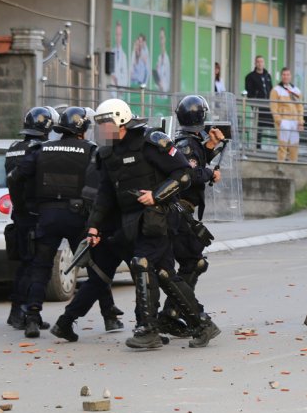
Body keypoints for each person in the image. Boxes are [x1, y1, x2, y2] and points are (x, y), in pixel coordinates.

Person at [86, 98, 220, 350]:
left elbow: (183, 173)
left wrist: (157, 195)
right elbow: (105, 193)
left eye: (107, 124)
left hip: (158, 217)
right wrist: (94, 227)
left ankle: (147, 330)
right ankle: (202, 324)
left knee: (142, 263)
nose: (103, 130)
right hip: (130, 221)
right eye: (100, 125)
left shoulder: (150, 141)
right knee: (165, 273)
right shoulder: (106, 152)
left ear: (122, 120)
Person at [7, 107, 115, 338]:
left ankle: (32, 318)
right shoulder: (92, 150)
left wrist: (26, 208)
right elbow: (101, 186)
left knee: (41, 267)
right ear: (84, 130)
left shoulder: (41, 149)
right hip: (78, 217)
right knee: (94, 266)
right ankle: (110, 316)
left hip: (46, 216)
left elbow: (15, 178)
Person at [51, 114, 131, 343]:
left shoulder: (100, 154)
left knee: (99, 278)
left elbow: (96, 197)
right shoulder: (119, 155)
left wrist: (94, 228)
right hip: (122, 227)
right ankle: (148, 325)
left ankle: (65, 322)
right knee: (146, 274)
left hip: (103, 227)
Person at [157, 95, 226, 338]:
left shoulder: (188, 141)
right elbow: (189, 175)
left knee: (186, 264)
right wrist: (209, 174)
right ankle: (173, 314)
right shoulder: (186, 144)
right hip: (179, 212)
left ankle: (170, 314)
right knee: (194, 263)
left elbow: (196, 161)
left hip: (180, 213)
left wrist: (212, 146)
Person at [4, 107, 57, 331]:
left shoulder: (13, 148)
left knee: (27, 263)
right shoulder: (39, 149)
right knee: (32, 265)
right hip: (35, 213)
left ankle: (21, 311)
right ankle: (20, 312)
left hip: (20, 213)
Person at [272, 67, 303, 162]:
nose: (286, 77)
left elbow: (300, 107)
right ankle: (280, 166)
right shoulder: (276, 90)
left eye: (288, 74)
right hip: (283, 121)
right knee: (283, 146)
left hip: (294, 121)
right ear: (281, 76)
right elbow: (273, 106)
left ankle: (293, 167)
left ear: (291, 76)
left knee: (294, 146)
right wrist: (278, 120)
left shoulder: (296, 90)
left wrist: (300, 122)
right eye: (284, 75)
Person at [245, 57, 274, 150]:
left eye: (261, 61)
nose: (260, 63)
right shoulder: (250, 77)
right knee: (259, 126)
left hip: (268, 105)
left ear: (264, 63)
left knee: (273, 123)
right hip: (258, 105)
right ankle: (258, 146)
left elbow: (271, 90)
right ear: (255, 63)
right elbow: (249, 92)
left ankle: (277, 146)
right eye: (258, 62)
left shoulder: (267, 76)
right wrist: (253, 104)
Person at [110, 22, 129, 89]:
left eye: (119, 35)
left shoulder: (124, 56)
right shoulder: (110, 53)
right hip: (111, 92)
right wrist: (113, 79)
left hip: (120, 92)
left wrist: (118, 84)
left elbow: (125, 78)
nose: (118, 37)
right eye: (116, 34)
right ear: (114, 36)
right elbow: (108, 75)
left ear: (122, 36)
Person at [153, 28, 171, 93]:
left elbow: (169, 80)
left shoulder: (168, 59)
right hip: (159, 94)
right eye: (160, 38)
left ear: (165, 39)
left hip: (166, 95)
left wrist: (162, 87)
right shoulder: (159, 58)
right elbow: (157, 81)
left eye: (162, 38)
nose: (161, 41)